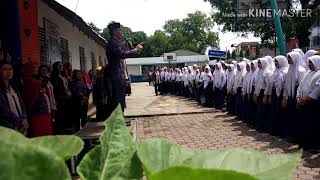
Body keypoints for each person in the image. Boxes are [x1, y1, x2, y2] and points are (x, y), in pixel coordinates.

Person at [105, 22, 143, 112]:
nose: (121, 32)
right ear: (114, 31)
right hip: (115, 76)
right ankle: (117, 123)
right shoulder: (113, 43)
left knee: (120, 99)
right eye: (120, 30)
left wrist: (130, 49)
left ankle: (119, 120)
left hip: (117, 75)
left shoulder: (115, 43)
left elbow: (121, 54)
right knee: (117, 100)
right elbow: (121, 54)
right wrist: (135, 50)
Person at [296, 55, 320, 149]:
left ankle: (313, 146)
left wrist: (306, 99)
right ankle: (304, 143)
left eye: (311, 62)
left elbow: (317, 89)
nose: (309, 64)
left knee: (313, 125)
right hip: (303, 102)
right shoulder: (308, 73)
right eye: (309, 62)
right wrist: (298, 98)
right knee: (304, 124)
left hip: (313, 103)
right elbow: (300, 86)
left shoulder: (318, 73)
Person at [23, 61, 53, 137]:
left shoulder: (33, 80)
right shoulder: (32, 81)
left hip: (44, 110)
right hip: (38, 112)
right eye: (35, 67)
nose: (36, 69)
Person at [282, 51, 306, 141]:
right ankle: (290, 135)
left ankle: (296, 136)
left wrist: (298, 98)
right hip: (290, 96)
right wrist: (284, 97)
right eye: (288, 58)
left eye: (290, 58)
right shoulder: (289, 69)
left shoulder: (301, 70)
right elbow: (286, 85)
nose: (288, 60)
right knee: (290, 116)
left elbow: (301, 85)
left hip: (297, 95)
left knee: (297, 117)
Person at [0, 61, 28, 134]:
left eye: (10, 69)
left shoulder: (14, 87)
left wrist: (24, 118)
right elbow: (3, 110)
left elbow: (22, 105)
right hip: (8, 127)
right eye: (5, 69)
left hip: (20, 125)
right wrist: (19, 121)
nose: (8, 71)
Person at [50, 61, 72, 134]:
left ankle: (64, 129)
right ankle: (59, 132)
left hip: (66, 98)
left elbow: (66, 86)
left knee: (64, 115)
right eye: (59, 65)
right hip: (60, 99)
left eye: (61, 65)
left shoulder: (62, 76)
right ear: (55, 67)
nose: (61, 66)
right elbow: (55, 89)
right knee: (59, 117)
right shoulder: (54, 77)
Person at [269, 56, 288, 136]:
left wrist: (284, 97)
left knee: (280, 113)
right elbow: (271, 83)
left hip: (282, 94)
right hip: (275, 93)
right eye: (275, 62)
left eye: (277, 61)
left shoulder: (285, 71)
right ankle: (275, 130)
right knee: (274, 112)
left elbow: (285, 85)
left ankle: (281, 132)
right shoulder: (275, 71)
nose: (276, 63)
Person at [254, 58, 272, 132]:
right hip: (259, 92)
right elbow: (256, 83)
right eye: (258, 63)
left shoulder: (267, 72)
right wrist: (255, 93)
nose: (258, 65)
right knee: (259, 110)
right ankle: (260, 126)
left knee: (264, 110)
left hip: (264, 92)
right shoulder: (259, 71)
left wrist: (265, 96)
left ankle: (264, 127)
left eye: (260, 63)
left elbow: (268, 85)